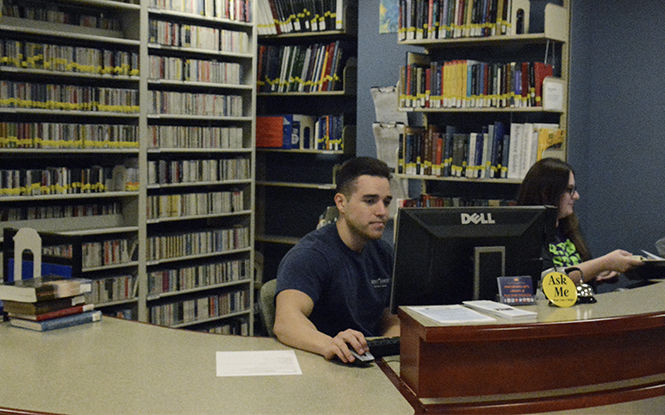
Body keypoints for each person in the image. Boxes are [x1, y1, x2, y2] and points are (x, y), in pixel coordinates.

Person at [273, 156, 399, 363]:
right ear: (341, 203)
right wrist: (330, 344)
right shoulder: (310, 255)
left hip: (366, 362)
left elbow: (390, 318)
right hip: (325, 363)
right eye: (370, 201)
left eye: (386, 202)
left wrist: (386, 346)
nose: (382, 212)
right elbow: (286, 322)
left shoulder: (383, 253)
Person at [517, 158, 643, 287]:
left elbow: (577, 270)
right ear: (547, 192)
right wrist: (604, 263)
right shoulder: (525, 235)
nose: (576, 196)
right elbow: (548, 281)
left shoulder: (568, 227)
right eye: (570, 189)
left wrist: (598, 271)